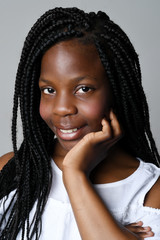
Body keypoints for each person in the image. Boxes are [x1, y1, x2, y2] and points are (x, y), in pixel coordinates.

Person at [0, 7, 160, 240]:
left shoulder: (150, 192)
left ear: (116, 91)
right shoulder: (13, 171)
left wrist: (75, 175)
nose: (62, 108)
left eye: (83, 89)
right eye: (49, 90)